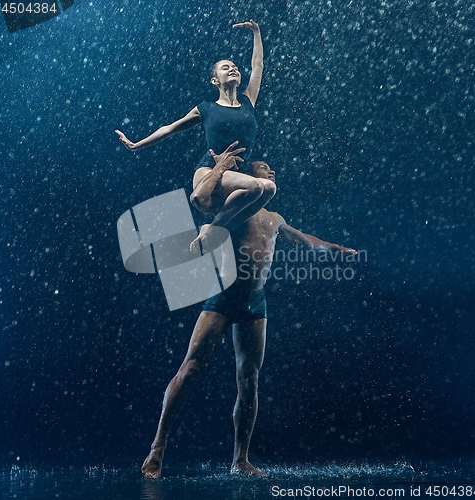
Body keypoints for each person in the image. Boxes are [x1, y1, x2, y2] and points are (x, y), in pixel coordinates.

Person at [141, 150, 357, 478]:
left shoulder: (275, 218)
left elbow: (305, 240)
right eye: (263, 168)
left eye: (271, 169)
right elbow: (202, 204)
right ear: (249, 177)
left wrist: (335, 249)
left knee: (250, 379)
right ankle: (157, 449)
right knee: (191, 367)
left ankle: (240, 460)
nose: (271, 172)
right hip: (224, 297)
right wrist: (219, 170)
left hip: (256, 305)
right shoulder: (235, 206)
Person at [115, 20, 276, 249]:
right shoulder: (206, 109)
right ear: (215, 81)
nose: (233, 69)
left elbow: (258, 66)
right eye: (225, 67)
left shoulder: (248, 101)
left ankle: (214, 229)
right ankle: (213, 230)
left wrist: (257, 33)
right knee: (258, 187)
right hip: (209, 171)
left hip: (235, 176)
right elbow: (169, 128)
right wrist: (136, 145)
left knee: (269, 188)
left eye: (235, 67)